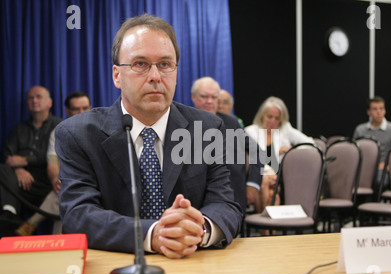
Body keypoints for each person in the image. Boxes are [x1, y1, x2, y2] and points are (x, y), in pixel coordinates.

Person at [55, 14, 242, 259]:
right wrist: (153, 234)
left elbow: (226, 205)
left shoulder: (207, 130)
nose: (155, 76)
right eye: (140, 64)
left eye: (165, 64)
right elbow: (78, 215)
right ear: (116, 75)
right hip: (114, 272)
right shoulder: (77, 134)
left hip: (193, 265)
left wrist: (199, 228)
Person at [15, 91, 91, 236]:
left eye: (85, 108)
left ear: (90, 108)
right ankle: (59, 247)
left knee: (67, 191)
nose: (81, 112)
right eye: (76, 109)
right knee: (64, 192)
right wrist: (56, 179)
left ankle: (32, 223)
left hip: (94, 183)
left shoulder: (100, 129)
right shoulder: (59, 131)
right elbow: (52, 163)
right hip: (71, 183)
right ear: (67, 111)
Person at [191, 77, 263, 213]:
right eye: (204, 96)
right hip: (195, 202)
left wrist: (253, 184)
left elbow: (257, 152)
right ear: (193, 97)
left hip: (233, 197)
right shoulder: (181, 123)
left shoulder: (232, 123)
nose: (209, 101)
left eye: (214, 97)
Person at [0, 86, 62, 236]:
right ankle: (9, 213)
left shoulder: (58, 126)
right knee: (2, 170)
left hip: (45, 179)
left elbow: (52, 156)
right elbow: (8, 156)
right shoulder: (19, 128)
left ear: (50, 102)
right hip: (18, 180)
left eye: (38, 97)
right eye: (30, 98)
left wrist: (26, 160)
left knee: (64, 189)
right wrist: (18, 170)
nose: (34, 101)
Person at [245, 96, 315, 209]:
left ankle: (263, 225)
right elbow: (253, 157)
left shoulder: (285, 129)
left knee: (270, 189)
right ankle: (268, 226)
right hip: (259, 176)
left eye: (277, 118)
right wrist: (270, 166)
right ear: (262, 115)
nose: (273, 121)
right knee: (270, 189)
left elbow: (311, 144)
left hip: (282, 177)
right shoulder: (250, 131)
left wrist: (291, 151)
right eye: (270, 117)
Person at [353, 96, 391, 191]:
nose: (379, 112)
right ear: (369, 112)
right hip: (364, 167)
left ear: (385, 110)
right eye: (375, 109)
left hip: (383, 168)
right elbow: (355, 152)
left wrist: (389, 165)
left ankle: (375, 203)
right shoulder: (360, 130)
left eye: (381, 108)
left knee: (380, 181)